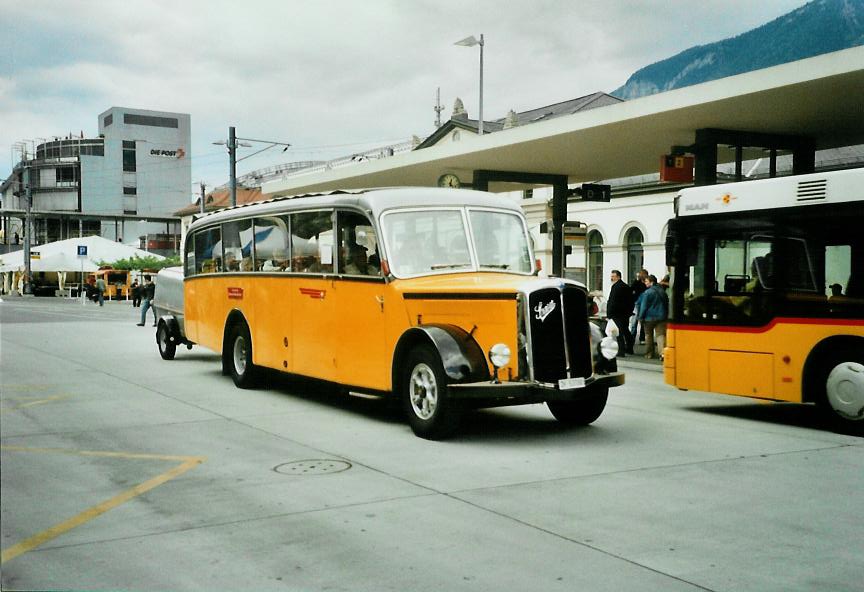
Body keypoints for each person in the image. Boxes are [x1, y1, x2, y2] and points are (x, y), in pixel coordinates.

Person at [637, 274, 669, 359]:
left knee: (648, 336)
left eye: (647, 281)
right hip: (661, 317)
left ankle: (649, 353)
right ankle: (662, 354)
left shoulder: (647, 293)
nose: (645, 283)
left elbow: (644, 307)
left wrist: (640, 317)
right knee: (661, 335)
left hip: (649, 318)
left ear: (651, 282)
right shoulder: (662, 291)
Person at [606, 269, 635, 357]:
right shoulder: (625, 286)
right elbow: (631, 300)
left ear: (618, 277)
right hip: (625, 313)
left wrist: (609, 313)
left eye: (613, 276)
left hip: (617, 314)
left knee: (618, 332)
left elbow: (613, 301)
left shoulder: (617, 287)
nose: (611, 278)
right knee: (625, 330)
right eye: (611, 276)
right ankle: (629, 347)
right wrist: (630, 311)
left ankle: (621, 350)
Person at [630, 269, 649, 345]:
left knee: (642, 322)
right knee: (634, 322)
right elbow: (631, 290)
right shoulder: (636, 282)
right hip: (637, 304)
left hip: (643, 304)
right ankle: (632, 337)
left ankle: (642, 338)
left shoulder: (646, 283)